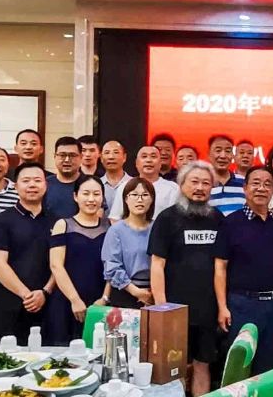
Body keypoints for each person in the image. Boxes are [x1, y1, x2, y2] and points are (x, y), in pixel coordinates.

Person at [150, 161, 225, 397]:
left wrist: (222, 306)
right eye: (194, 182)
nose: (200, 188)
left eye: (206, 183)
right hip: (175, 309)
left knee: (203, 364)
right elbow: (157, 264)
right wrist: (162, 307)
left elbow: (222, 266)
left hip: (207, 309)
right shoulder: (167, 218)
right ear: (181, 185)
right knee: (176, 367)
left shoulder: (217, 218)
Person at [214, 168, 273, 376]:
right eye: (255, 183)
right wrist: (222, 307)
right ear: (245, 188)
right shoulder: (230, 223)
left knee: (268, 367)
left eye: (267, 184)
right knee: (240, 367)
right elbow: (220, 267)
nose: (261, 188)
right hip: (242, 305)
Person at [0, 162, 56, 345]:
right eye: (26, 181)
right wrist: (27, 295)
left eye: (37, 180)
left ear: (46, 185)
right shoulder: (1, 221)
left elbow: (60, 264)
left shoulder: (56, 221)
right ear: (16, 187)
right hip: (8, 306)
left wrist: (45, 292)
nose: (32, 185)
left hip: (47, 305)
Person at [48, 176, 111, 342]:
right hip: (66, 300)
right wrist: (74, 300)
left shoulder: (110, 226)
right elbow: (56, 266)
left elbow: (114, 266)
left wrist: (104, 298)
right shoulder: (63, 225)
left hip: (99, 302)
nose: (91, 199)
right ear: (75, 196)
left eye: (96, 194)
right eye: (86, 193)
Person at [104, 178, 156, 309]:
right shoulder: (116, 230)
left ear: (152, 199)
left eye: (145, 195)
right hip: (124, 292)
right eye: (134, 195)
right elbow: (111, 266)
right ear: (126, 199)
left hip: (155, 293)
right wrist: (135, 291)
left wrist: (153, 291)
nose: (140, 200)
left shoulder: (158, 228)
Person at [109, 146, 179, 218]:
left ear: (160, 163)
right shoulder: (125, 186)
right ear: (136, 163)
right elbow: (115, 218)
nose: (148, 160)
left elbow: (175, 219)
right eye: (144, 156)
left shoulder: (173, 188)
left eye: (153, 156)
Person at [44, 136, 86, 219]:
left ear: (81, 157)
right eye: (62, 155)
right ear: (54, 156)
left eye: (72, 155)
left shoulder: (90, 184)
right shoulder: (44, 184)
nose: (67, 160)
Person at [207, 134, 246, 215]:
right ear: (209, 154)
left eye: (228, 151)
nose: (223, 156)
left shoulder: (244, 182)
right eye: (218, 150)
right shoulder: (203, 183)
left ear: (232, 156)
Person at [99, 140, 131, 215]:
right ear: (101, 158)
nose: (111, 157)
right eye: (107, 153)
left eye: (116, 152)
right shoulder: (96, 185)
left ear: (124, 157)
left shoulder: (134, 184)